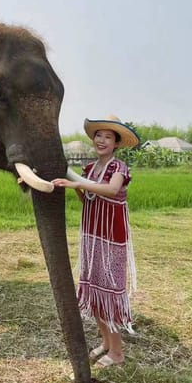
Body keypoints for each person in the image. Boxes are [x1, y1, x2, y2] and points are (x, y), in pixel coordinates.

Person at [52, 114, 139, 368]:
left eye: (108, 137)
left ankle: (117, 354)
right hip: (91, 236)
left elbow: (111, 191)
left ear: (116, 143)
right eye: (98, 135)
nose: (101, 140)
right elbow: (88, 200)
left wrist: (74, 182)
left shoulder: (118, 168)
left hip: (112, 239)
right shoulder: (90, 169)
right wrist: (77, 186)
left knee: (109, 295)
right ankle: (105, 343)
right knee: (95, 293)